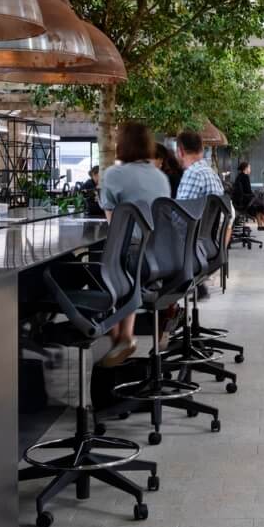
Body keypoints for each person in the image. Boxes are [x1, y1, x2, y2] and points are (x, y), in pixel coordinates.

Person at [97, 121, 171, 366]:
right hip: (161, 257)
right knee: (126, 266)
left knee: (108, 263)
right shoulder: (161, 177)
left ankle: (118, 335)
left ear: (122, 145)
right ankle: (122, 336)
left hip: (131, 256)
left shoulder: (113, 174)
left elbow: (113, 225)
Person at [233, 162, 264, 231]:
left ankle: (260, 226)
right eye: (249, 168)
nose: (250, 169)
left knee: (258, 206)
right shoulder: (245, 177)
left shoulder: (239, 176)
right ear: (245, 168)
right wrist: (254, 194)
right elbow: (248, 191)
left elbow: (245, 191)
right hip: (244, 201)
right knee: (262, 206)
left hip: (240, 201)